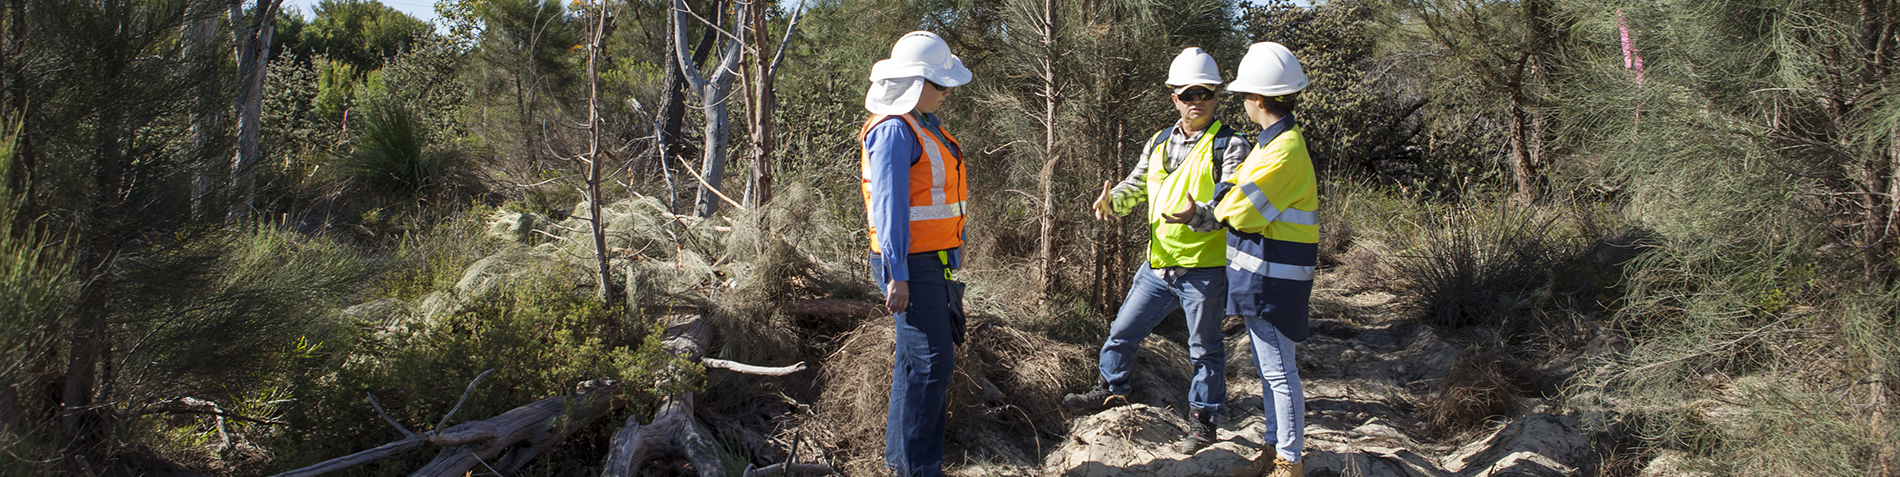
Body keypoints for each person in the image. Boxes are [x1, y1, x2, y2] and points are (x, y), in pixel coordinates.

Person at [1062, 47, 1253, 455]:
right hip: (1159, 266)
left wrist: (1197, 214)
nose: (1196, 101)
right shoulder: (1159, 142)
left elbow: (1233, 206)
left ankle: (1203, 421)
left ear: (1217, 95)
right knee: (1122, 332)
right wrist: (1113, 201)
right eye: (1188, 94)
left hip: (1204, 269)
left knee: (1205, 349)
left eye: (1204, 93)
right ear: (1175, 98)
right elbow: (1137, 184)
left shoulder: (1231, 145)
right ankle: (1112, 389)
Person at [1166, 41, 1315, 477]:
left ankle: (1289, 460)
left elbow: (1240, 211)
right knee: (1272, 372)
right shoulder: (1270, 144)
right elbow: (1232, 200)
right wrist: (1225, 203)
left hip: (1274, 278)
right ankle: (1274, 451)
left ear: (1256, 98)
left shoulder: (1282, 150)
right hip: (1261, 275)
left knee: (1280, 372)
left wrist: (1224, 206)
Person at [860, 30, 971, 477]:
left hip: (929, 263)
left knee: (914, 366)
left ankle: (902, 463)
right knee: (932, 366)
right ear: (916, 82)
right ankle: (919, 469)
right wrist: (897, 274)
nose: (946, 93)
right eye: (940, 84)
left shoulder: (922, 124)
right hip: (910, 266)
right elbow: (890, 210)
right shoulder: (893, 131)